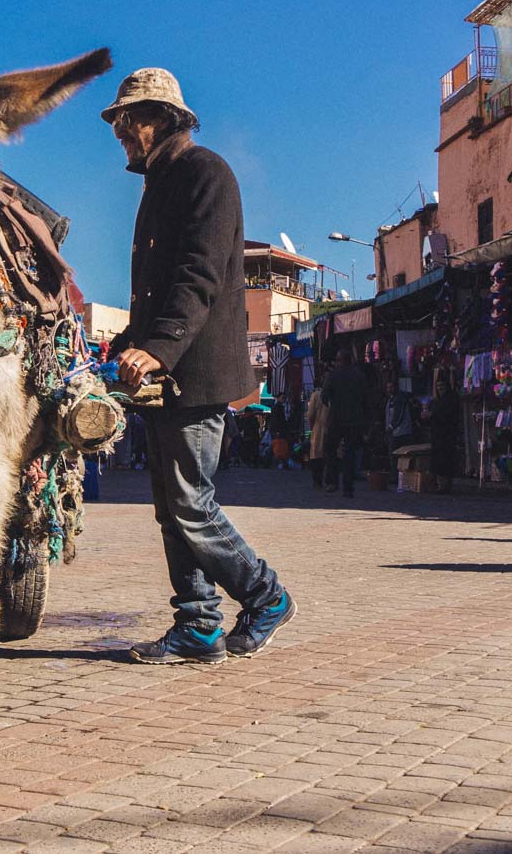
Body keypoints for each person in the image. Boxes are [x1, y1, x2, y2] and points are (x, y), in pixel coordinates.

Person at [103, 68, 294, 665]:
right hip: (165, 376)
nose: (120, 135)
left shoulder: (204, 173)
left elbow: (199, 275)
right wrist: (127, 346)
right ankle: (199, 625)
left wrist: (158, 348)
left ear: (156, 118)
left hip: (195, 371)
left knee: (190, 503)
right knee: (171, 507)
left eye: (125, 121)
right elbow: (154, 292)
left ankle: (265, 595)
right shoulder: (161, 183)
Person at [322, 348, 369, 497]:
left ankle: (332, 482)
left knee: (331, 450)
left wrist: (332, 405)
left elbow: (324, 396)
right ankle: (348, 487)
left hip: (336, 419)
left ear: (339, 360)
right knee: (350, 453)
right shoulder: (359, 375)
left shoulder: (333, 375)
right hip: (354, 420)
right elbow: (366, 398)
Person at [425, 372, 461, 494]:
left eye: (442, 386)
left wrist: (433, 415)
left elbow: (449, 415)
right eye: (438, 386)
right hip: (437, 435)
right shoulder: (436, 401)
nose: (440, 389)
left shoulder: (452, 399)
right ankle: (438, 485)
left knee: (445, 461)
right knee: (437, 460)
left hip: (448, 435)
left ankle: (445, 486)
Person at [306, 384, 331, 490]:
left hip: (319, 428)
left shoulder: (316, 395)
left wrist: (312, 428)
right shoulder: (336, 394)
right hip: (333, 428)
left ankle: (318, 481)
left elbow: (310, 414)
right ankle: (330, 481)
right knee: (331, 455)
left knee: (317, 456)